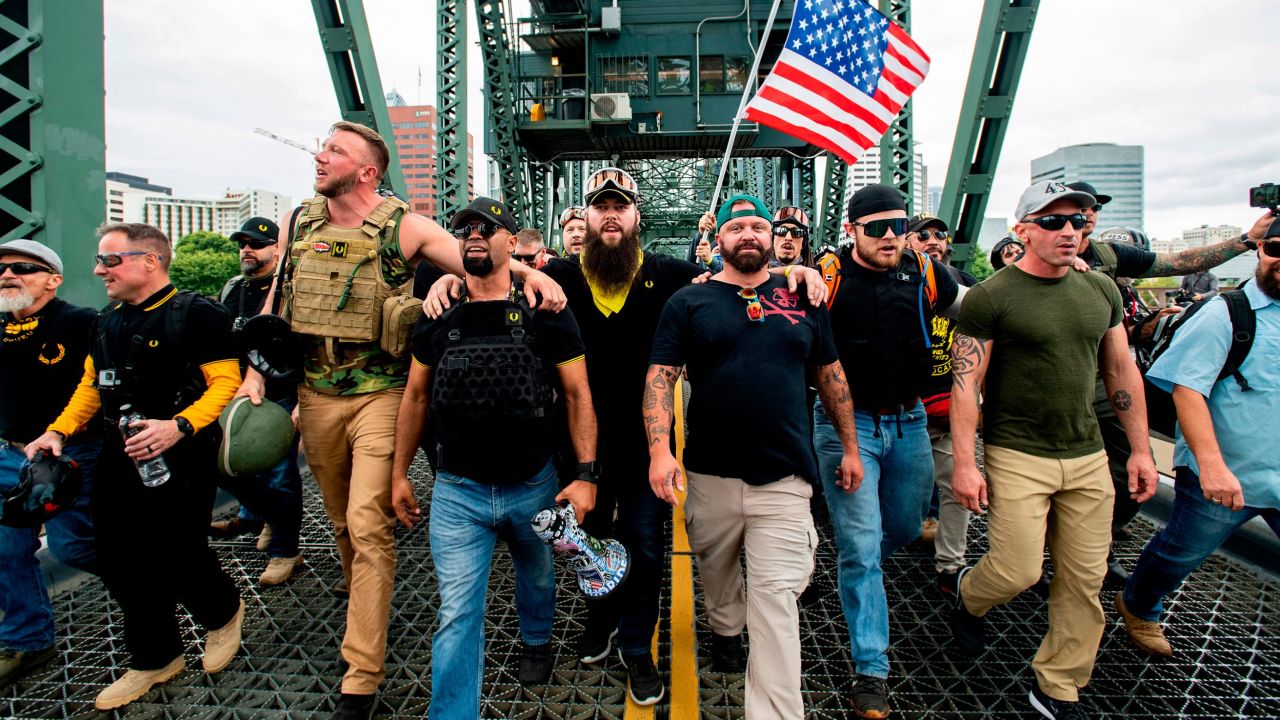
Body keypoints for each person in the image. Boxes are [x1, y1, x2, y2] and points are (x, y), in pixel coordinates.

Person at [423, 167, 826, 706]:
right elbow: (486, 275)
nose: (610, 215)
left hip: (643, 444)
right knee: (584, 543)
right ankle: (601, 620)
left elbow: (740, 277)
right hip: (576, 442)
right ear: (586, 217)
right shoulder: (556, 276)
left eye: (620, 206)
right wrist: (449, 280)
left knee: (643, 543)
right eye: (599, 206)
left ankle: (638, 643)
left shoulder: (673, 274)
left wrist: (794, 273)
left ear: (638, 217)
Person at [234, 120, 564, 719]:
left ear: (367, 170)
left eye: (334, 150)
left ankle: (360, 677)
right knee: (342, 523)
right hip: (315, 389)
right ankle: (356, 587)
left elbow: (473, 258)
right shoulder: (299, 221)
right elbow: (278, 297)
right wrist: (256, 369)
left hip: (379, 388)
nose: (319, 155)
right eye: (321, 146)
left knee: (368, 524)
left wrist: (530, 271)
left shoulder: (402, 224)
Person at [948, 181, 1159, 719]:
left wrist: (1141, 451)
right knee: (1016, 571)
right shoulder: (991, 297)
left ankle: (1058, 685)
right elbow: (966, 384)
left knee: (1084, 580)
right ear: (1022, 230)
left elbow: (1121, 371)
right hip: (1018, 452)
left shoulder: (1101, 291)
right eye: (1052, 221)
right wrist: (967, 465)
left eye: (1076, 221)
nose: (1068, 231)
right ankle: (970, 597)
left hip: (1087, 453)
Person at [645, 194, 861, 719]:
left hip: (785, 480)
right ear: (717, 239)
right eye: (736, 226)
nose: (748, 234)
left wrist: (851, 447)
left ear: (773, 239)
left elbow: (831, 376)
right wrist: (660, 451)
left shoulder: (804, 297)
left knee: (776, 606)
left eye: (758, 226)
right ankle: (724, 628)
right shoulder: (689, 303)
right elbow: (660, 378)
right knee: (717, 576)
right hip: (710, 475)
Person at [389, 197, 599, 719]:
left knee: (538, 574)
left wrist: (587, 475)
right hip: (458, 492)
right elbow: (415, 397)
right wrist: (399, 473)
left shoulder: (547, 312)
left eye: (488, 227)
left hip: (533, 482)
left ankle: (536, 640)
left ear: (511, 241)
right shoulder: (439, 315)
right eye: (464, 229)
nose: (474, 234)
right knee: (457, 610)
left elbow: (577, 395)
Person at [26, 223, 246, 711]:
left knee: (181, 550)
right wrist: (57, 432)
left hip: (182, 456)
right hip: (118, 455)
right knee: (120, 557)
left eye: (110, 260)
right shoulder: (107, 321)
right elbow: (91, 385)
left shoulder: (193, 313)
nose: (98, 270)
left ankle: (223, 613)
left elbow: (225, 380)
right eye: (100, 261)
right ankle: (155, 656)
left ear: (150, 261)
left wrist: (179, 426)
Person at [1066, 179, 1262, 585]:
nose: (1083, 216)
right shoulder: (1032, 258)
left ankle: (1097, 549)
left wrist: (1246, 240)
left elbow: (1179, 263)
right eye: (1069, 210)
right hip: (1053, 382)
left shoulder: (1110, 255)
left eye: (1091, 208)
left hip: (1105, 379)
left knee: (1128, 471)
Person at [813, 185, 961, 719]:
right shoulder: (829, 276)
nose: (890, 236)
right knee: (860, 547)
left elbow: (975, 308)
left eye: (898, 225)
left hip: (911, 420)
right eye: (876, 227)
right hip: (845, 427)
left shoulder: (925, 271)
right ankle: (870, 671)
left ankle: (853, 562)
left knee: (899, 528)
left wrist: (1082, 267)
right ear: (852, 229)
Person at [1116, 212, 1280, 658]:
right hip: (1228, 472)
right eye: (1275, 249)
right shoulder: (1227, 313)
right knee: (1179, 554)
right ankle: (1139, 605)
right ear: (1259, 252)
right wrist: (1210, 465)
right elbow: (1188, 387)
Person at [0, 240, 101, 688]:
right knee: (6, 551)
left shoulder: (80, 322)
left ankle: (162, 578)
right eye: (1, 269)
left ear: (53, 279)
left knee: (73, 548)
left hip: (67, 456)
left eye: (22, 267)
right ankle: (28, 639)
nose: (7, 275)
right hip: (9, 453)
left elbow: (106, 386)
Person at [213, 216, 304, 586]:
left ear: (277, 249)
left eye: (256, 243)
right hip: (238, 391)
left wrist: (303, 402)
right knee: (230, 463)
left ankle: (286, 549)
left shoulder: (291, 288)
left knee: (280, 474)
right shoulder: (232, 290)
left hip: (282, 393)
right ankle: (255, 517)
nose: (246, 250)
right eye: (242, 243)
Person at [905, 213, 976, 595]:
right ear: (906, 242)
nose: (933, 240)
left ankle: (951, 566)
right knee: (900, 492)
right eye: (923, 235)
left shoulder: (965, 284)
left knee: (957, 486)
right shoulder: (898, 281)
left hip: (947, 405)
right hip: (900, 407)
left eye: (940, 235)